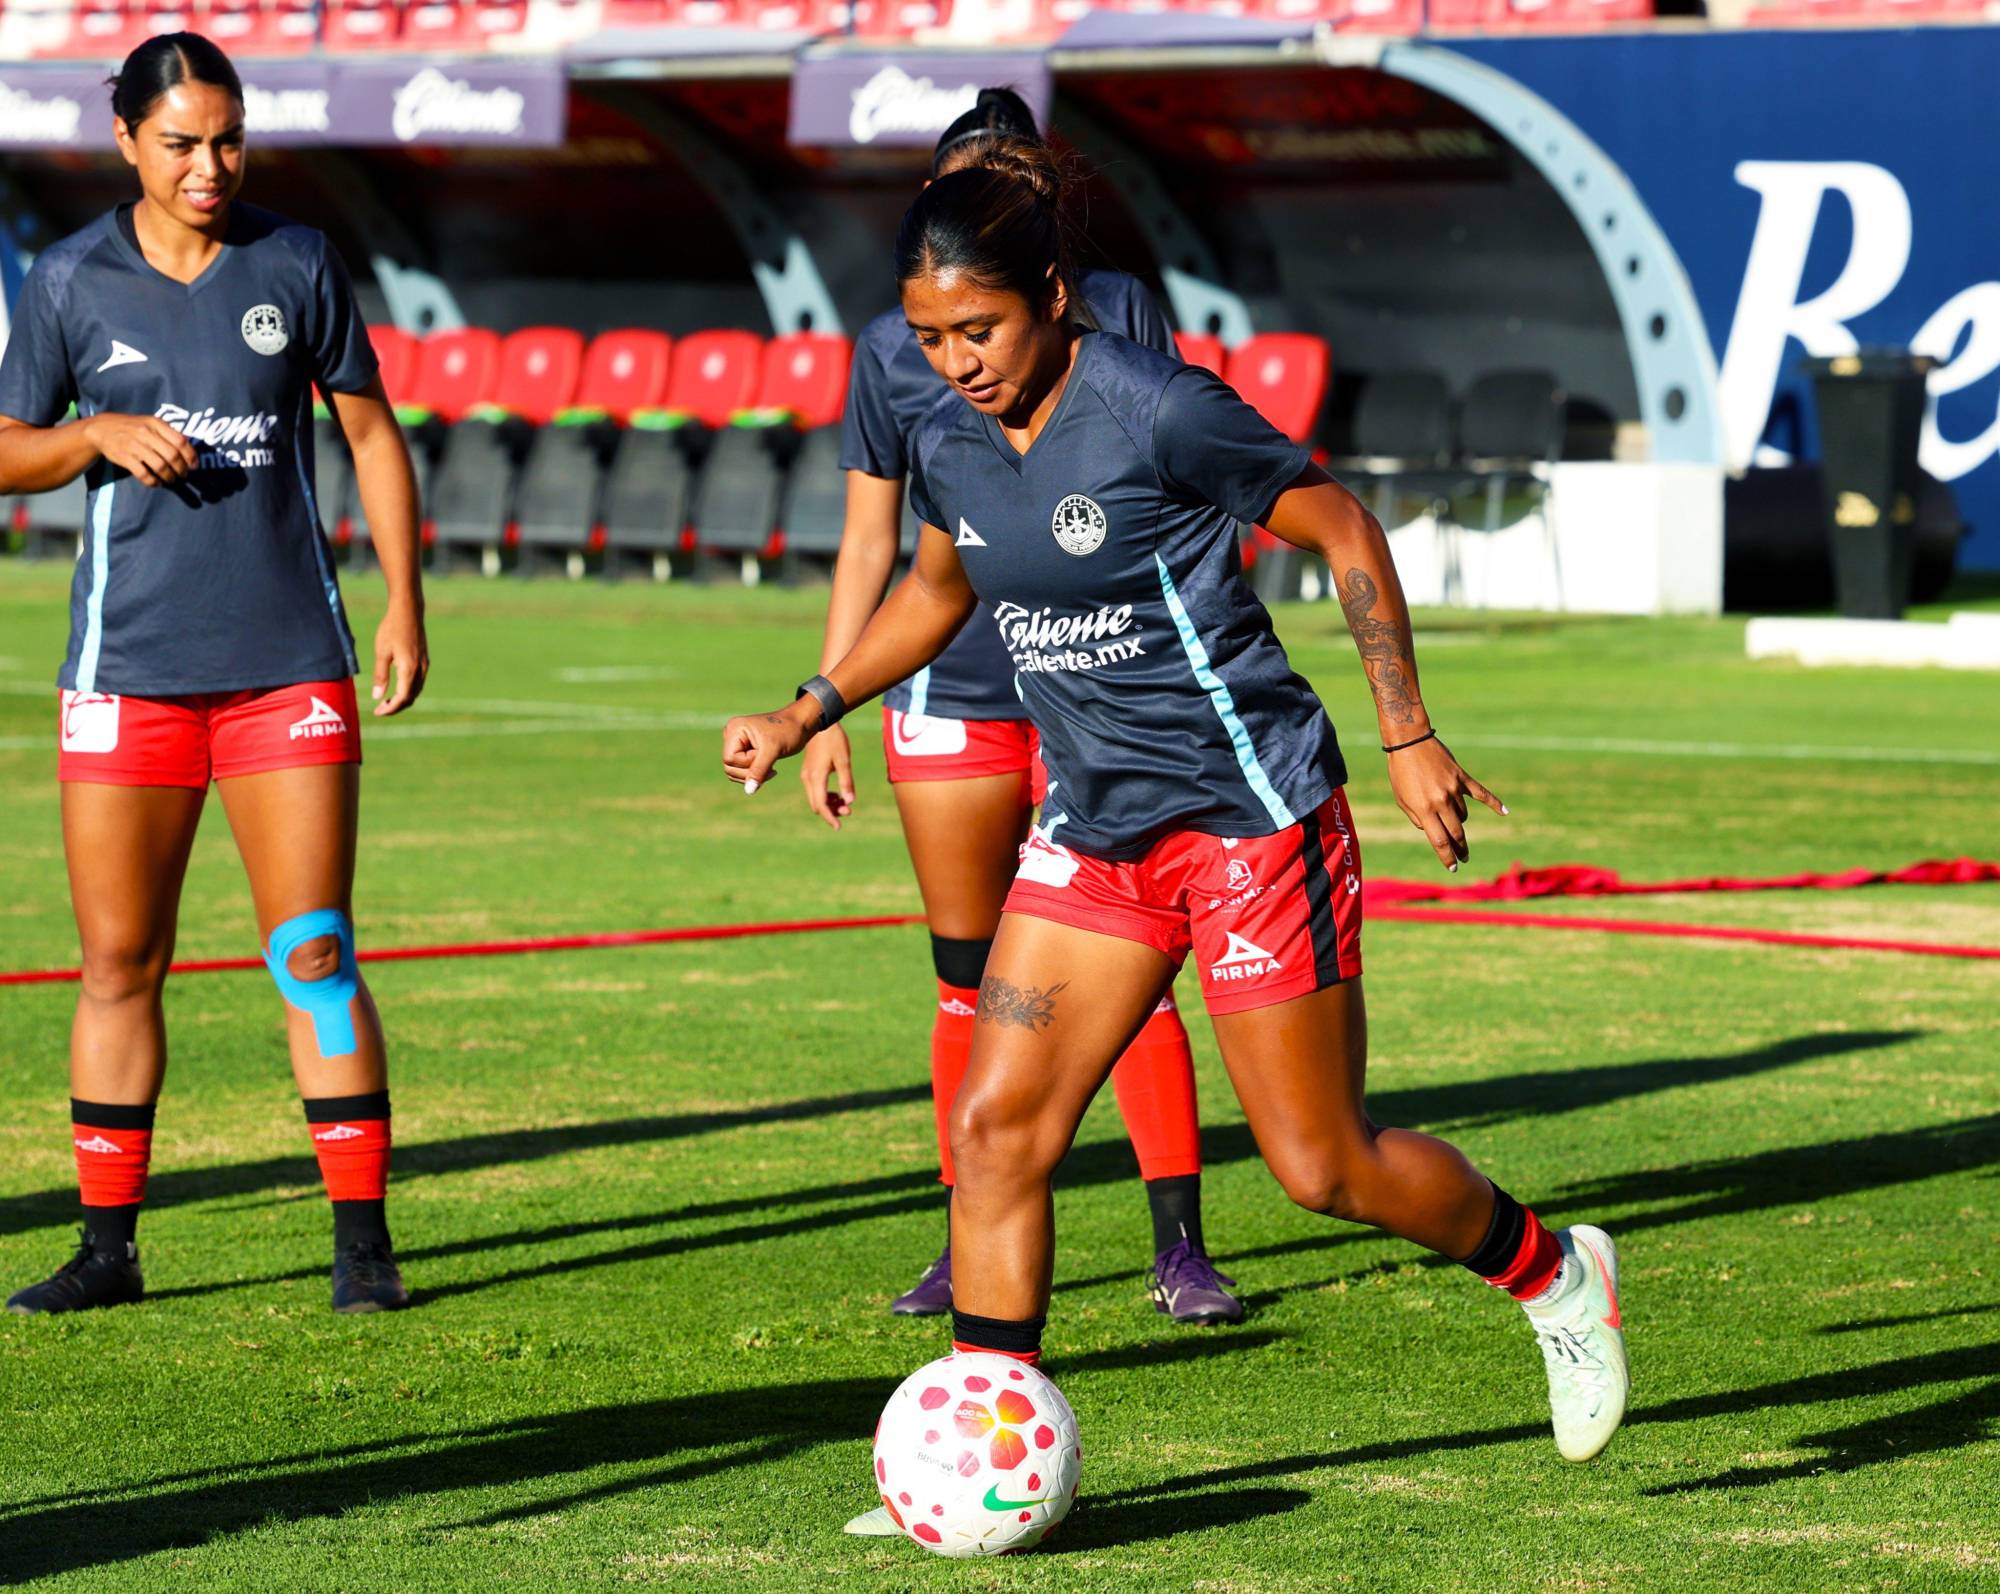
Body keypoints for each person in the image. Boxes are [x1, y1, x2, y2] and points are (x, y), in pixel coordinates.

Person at [723, 149, 1629, 1486]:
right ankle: (988, 1465)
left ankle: (1555, 1273)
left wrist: (1408, 733)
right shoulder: (943, 431)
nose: (955, 360)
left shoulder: (1159, 409)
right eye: (927, 337)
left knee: (1321, 1165)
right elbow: (936, 591)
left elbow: (1346, 529)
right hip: (1098, 832)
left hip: (1250, 816)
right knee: (995, 1133)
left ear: (1050, 293)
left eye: (978, 329)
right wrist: (812, 703)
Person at [0, 34, 427, 1317]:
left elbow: (370, 430)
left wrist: (405, 598)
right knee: (119, 959)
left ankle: (362, 1243)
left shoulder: (294, 261)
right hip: (125, 670)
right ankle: (106, 1246)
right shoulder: (70, 280)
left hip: (288, 664)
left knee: (312, 949)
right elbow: (6, 448)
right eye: (180, 142)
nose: (209, 166)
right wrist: (91, 435)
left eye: (228, 139)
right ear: (126, 139)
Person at [803, 90, 1240, 1328]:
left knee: (1134, 961)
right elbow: (866, 545)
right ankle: (964, 1234)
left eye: (1016, 178)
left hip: (1097, 688)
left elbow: (1202, 493)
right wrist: (823, 704)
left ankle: (1180, 1244)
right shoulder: (893, 344)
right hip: (947, 694)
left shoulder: (1121, 313)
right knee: (964, 976)